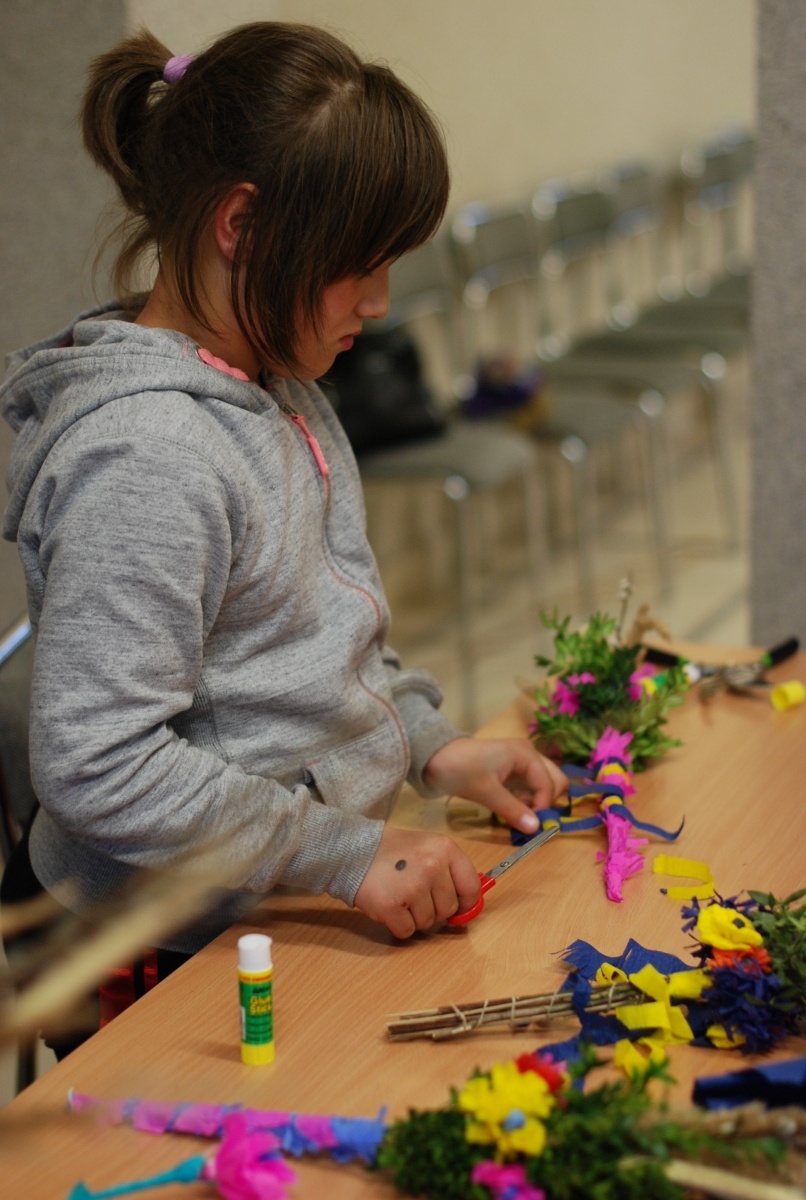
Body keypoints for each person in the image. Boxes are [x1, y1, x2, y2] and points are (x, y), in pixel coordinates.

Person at [0, 22, 566, 1034]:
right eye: (360, 265)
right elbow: (96, 762)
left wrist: (430, 749)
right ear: (244, 227)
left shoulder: (280, 386)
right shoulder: (150, 457)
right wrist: (346, 855)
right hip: (167, 949)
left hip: (277, 890)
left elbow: (315, 649)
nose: (382, 303)